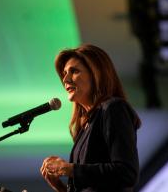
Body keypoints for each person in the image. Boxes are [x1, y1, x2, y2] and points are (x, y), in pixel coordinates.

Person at [40, 44, 141, 192]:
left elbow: (126, 173)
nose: (65, 79)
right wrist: (60, 187)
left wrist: (71, 169)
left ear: (96, 74)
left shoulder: (113, 108)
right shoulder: (85, 125)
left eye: (74, 71)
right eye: (64, 73)